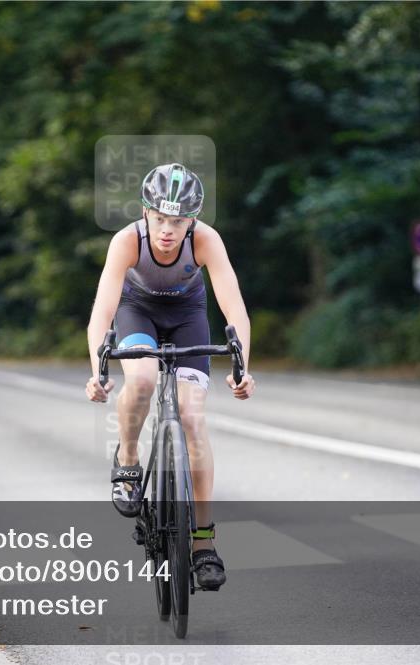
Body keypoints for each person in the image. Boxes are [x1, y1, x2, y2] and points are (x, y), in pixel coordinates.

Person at [85, 163, 255, 591]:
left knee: (193, 417)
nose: (167, 230)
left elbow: (234, 310)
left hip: (187, 316)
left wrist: (242, 368)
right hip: (136, 310)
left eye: (177, 221)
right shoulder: (127, 241)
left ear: (191, 220)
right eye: (160, 218)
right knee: (141, 379)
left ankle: (202, 542)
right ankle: (127, 460)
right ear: (146, 212)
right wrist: (97, 372)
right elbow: (101, 313)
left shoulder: (206, 241)